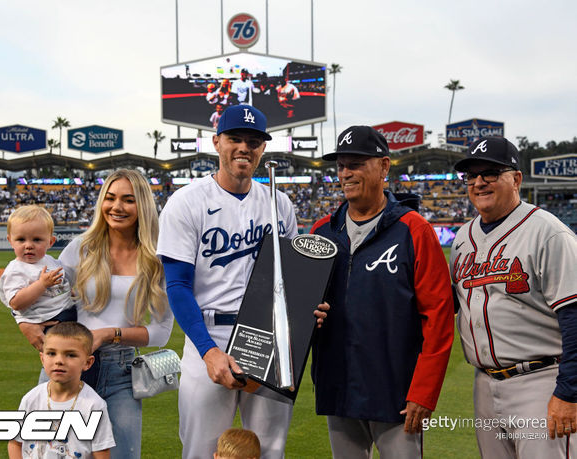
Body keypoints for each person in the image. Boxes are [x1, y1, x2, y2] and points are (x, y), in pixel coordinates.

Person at [157, 104, 327, 459]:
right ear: (217, 142)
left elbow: (292, 282)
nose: (244, 148)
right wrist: (208, 350)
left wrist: (308, 314)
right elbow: (177, 286)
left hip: (269, 337)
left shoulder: (280, 204)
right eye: (235, 138)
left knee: (268, 449)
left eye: (254, 141)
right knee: (201, 451)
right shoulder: (187, 202)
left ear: (263, 149)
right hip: (209, 334)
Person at [310, 126, 455, 458]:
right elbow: (302, 308)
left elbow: (439, 318)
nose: (346, 173)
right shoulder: (321, 231)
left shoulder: (414, 230)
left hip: (397, 395)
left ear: (384, 167)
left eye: (357, 164)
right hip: (338, 388)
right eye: (341, 165)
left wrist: (424, 391)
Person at [19, 169, 173, 458]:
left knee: (122, 455)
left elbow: (162, 332)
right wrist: (24, 323)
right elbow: (42, 293)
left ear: (142, 206)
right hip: (68, 364)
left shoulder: (156, 259)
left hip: (122, 371)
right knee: (47, 453)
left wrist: (108, 334)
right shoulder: (82, 248)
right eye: (110, 198)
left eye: (128, 200)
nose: (117, 207)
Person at [451, 136, 577, 458]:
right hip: (484, 384)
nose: (479, 182)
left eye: (490, 173)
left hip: (541, 381)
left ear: (516, 178)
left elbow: (575, 318)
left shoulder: (549, 233)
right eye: (472, 175)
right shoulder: (463, 238)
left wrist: (569, 393)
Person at [8, 321, 115, 458]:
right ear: (42, 358)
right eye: (52, 353)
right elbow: (15, 444)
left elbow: (101, 453)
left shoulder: (93, 405)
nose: (59, 361)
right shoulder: (31, 398)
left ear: (87, 363)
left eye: (70, 355)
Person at [0, 205, 76, 331]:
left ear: (50, 242)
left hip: (67, 310)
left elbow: (61, 284)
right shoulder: (15, 270)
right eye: (21, 239)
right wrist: (41, 284)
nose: (28, 245)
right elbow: (16, 303)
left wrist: (68, 291)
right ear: (10, 241)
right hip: (49, 320)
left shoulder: (50, 260)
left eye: (37, 240)